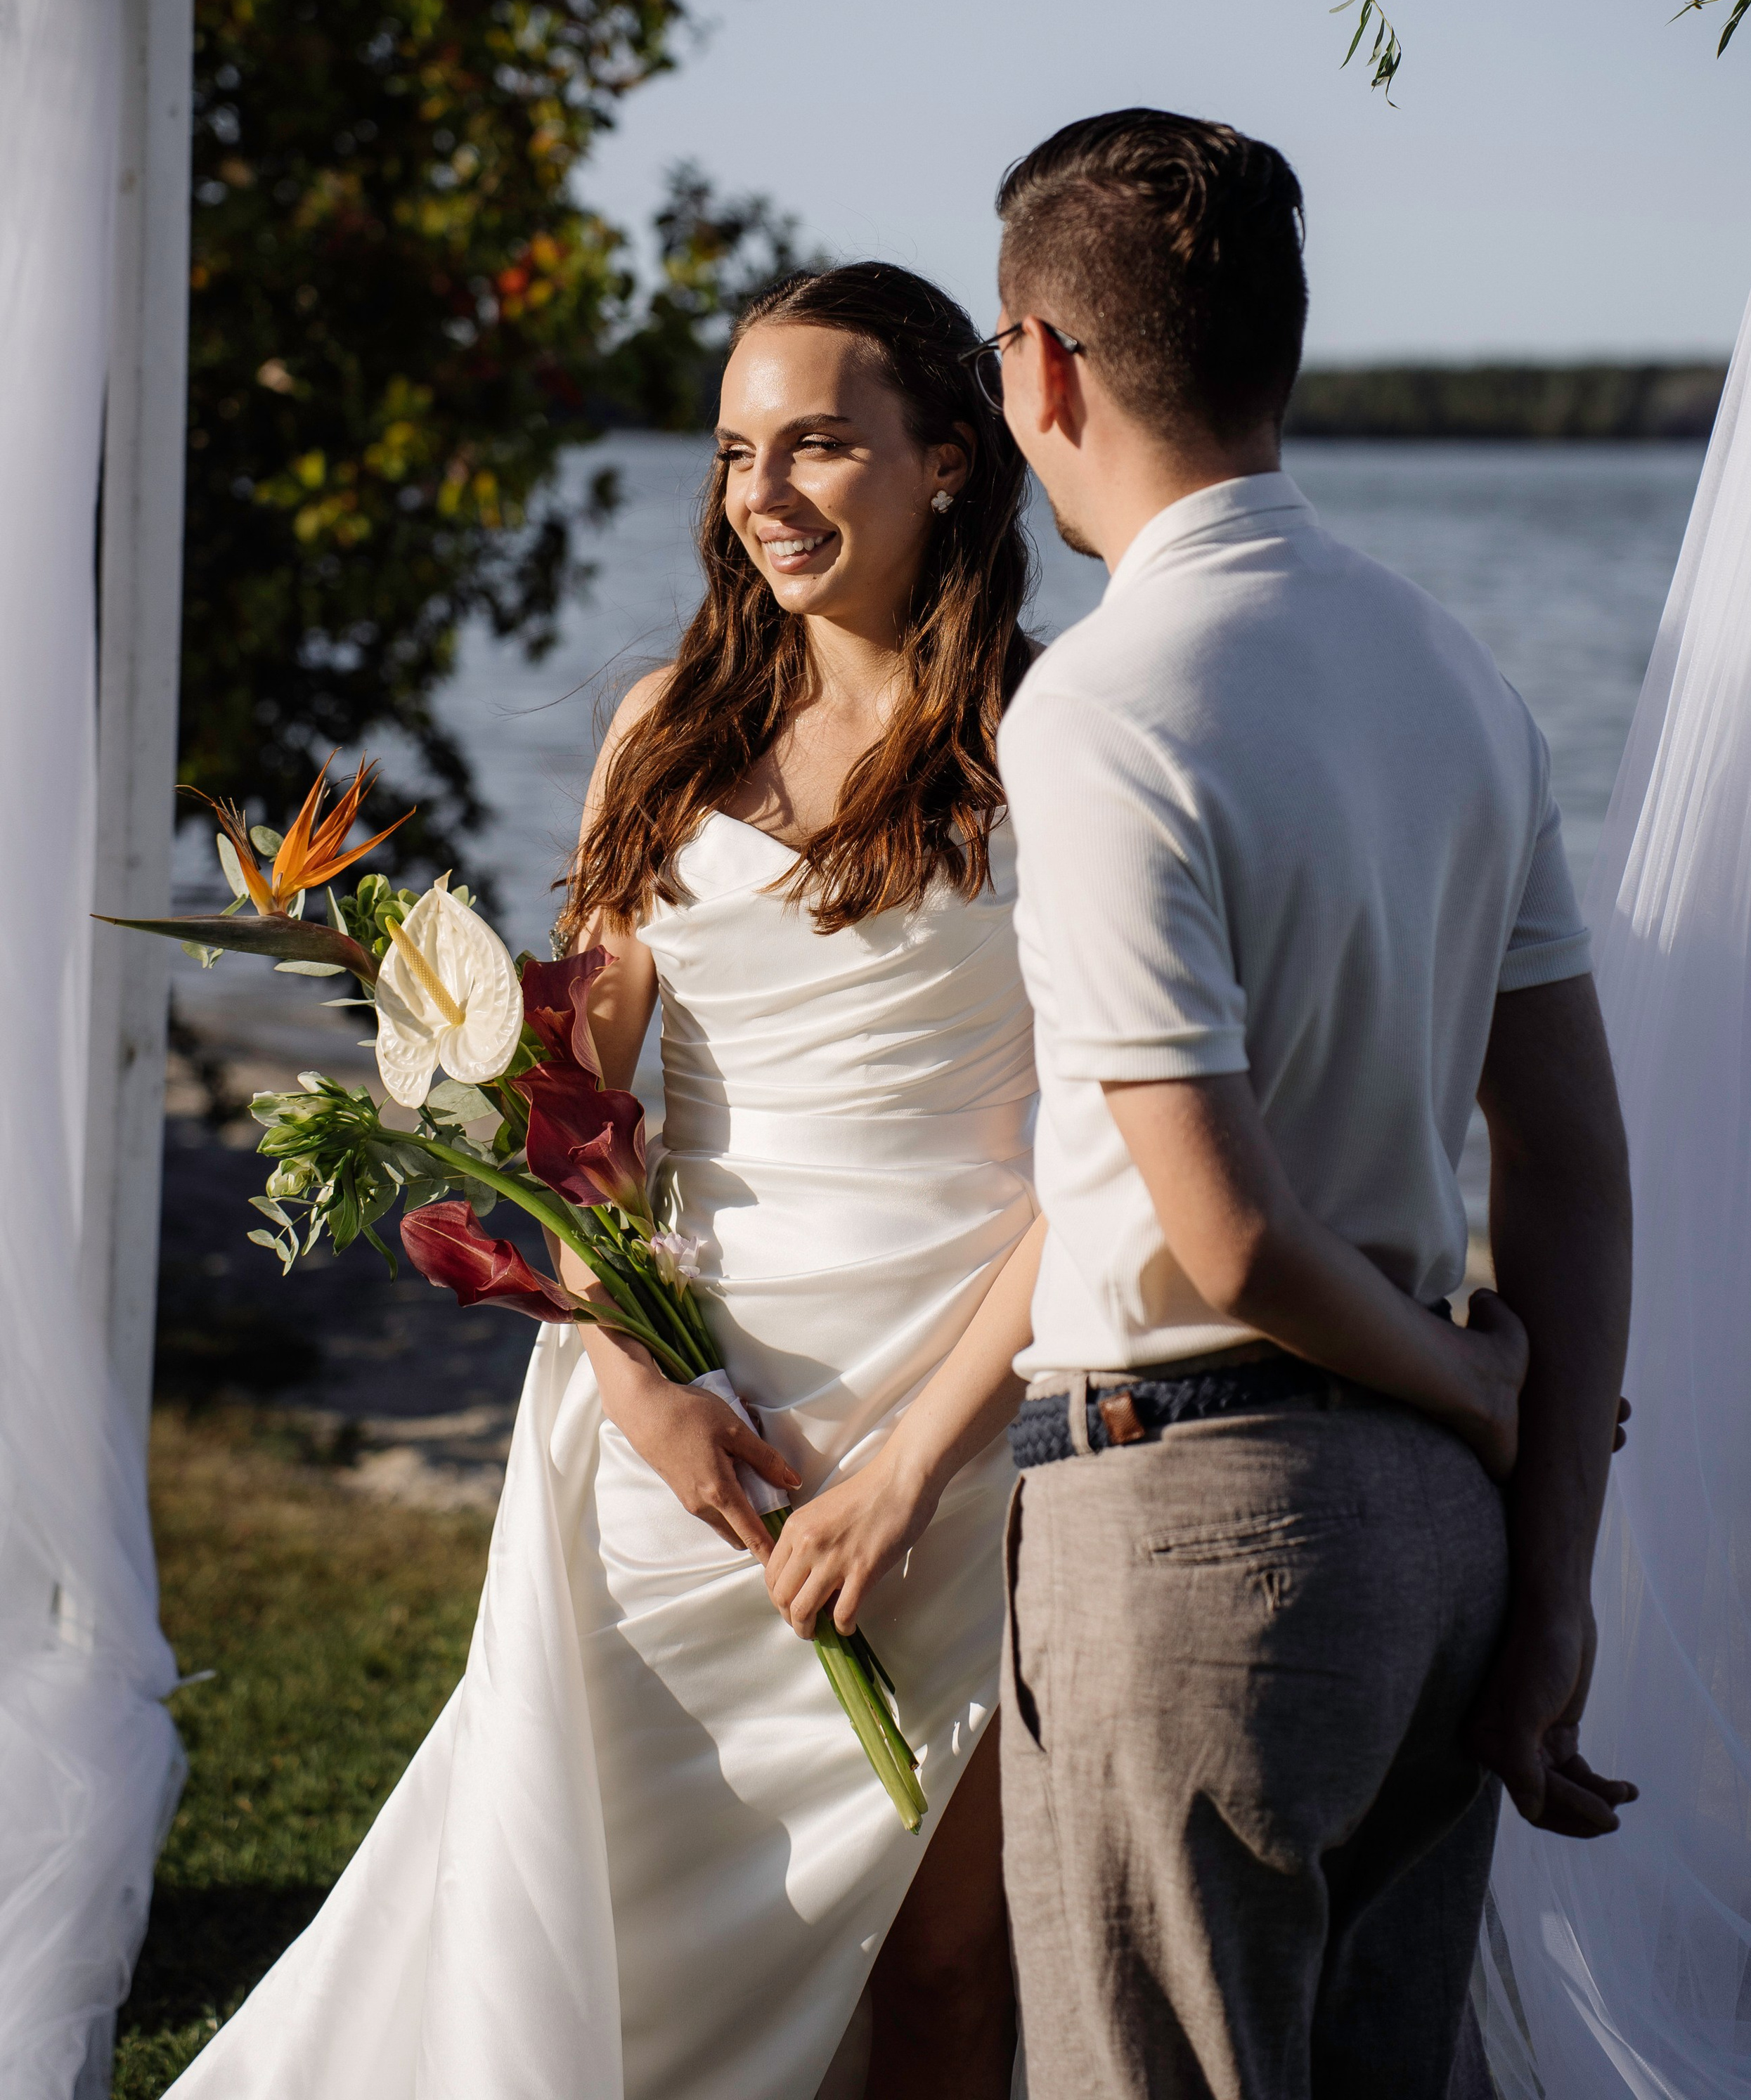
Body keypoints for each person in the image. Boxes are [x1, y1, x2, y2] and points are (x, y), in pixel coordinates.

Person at [164, 264, 1043, 2100]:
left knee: (949, 1962)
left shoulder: (1055, 745)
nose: (768, 493)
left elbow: (1105, 1160)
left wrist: (912, 1471)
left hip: (956, 1415)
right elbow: (570, 1091)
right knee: (612, 1912)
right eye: (737, 452)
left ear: (951, 456)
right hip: (680, 1398)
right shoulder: (673, 728)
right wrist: (635, 1372)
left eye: (820, 441)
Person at [983, 111, 1636, 2100]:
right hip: (1437, 1554)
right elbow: (1575, 1161)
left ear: (1042, 371)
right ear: (1282, 348)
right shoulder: (1458, 677)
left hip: (1193, 1530)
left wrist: (1470, 1391)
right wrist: (1547, 1569)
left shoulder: (1102, 709)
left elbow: (1229, 1230)